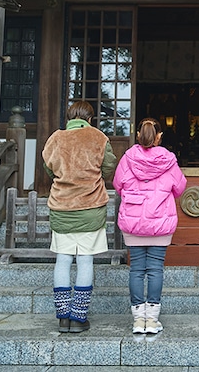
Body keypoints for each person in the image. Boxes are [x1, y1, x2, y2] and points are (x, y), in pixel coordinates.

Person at [42, 101, 117, 333]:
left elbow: (48, 168)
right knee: (85, 260)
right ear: (91, 119)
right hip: (90, 208)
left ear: (69, 117)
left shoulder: (56, 138)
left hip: (61, 207)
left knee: (63, 259)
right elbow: (109, 167)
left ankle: (63, 317)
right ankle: (78, 317)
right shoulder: (98, 138)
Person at [113, 117, 187, 335]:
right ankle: (152, 320)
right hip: (160, 222)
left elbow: (118, 185)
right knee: (155, 269)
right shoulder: (168, 160)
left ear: (138, 135)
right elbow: (180, 188)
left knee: (136, 268)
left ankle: (138, 320)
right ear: (159, 137)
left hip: (133, 221)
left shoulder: (127, 159)